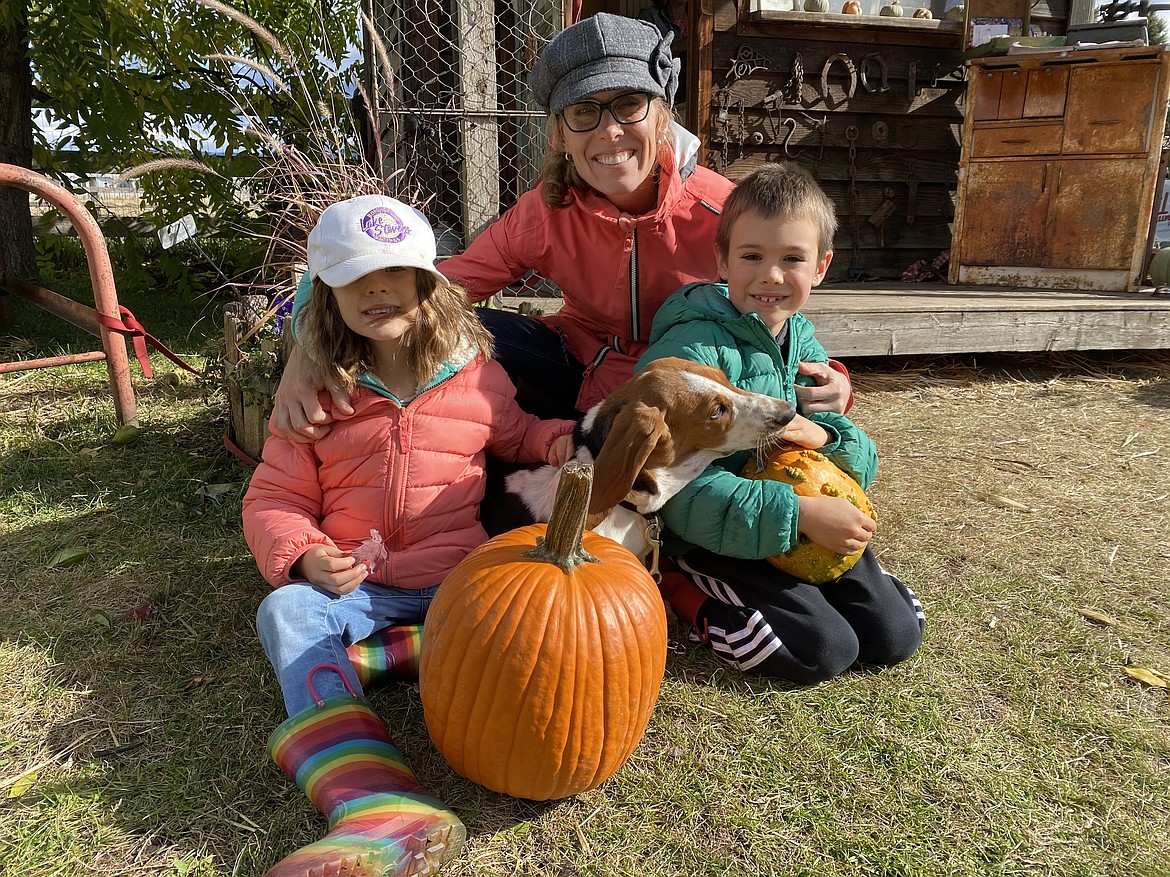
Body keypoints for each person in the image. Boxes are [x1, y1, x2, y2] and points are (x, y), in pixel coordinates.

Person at [269, 12, 853, 440]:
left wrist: (838, 383)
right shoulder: (547, 212)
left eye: (628, 104)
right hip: (577, 371)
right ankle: (407, 441)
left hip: (694, 384)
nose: (610, 131)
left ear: (662, 112)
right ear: (559, 133)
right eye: (583, 111)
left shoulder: (724, 211)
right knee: (471, 329)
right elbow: (439, 289)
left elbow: (781, 314)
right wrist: (307, 342)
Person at [242, 194, 575, 876]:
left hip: (458, 580)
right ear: (326, 297)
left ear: (429, 284)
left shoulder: (475, 376)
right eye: (354, 278)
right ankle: (376, 801)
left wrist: (563, 442)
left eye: (393, 273)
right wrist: (304, 555)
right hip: (361, 592)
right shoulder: (318, 398)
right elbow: (274, 497)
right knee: (286, 612)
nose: (376, 290)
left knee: (534, 631)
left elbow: (518, 433)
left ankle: (384, 660)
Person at [636, 163, 924, 684]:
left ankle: (826, 588)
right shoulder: (693, 352)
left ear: (821, 266)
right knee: (822, 651)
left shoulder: (802, 343)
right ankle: (687, 591)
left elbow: (857, 457)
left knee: (894, 637)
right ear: (722, 259)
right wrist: (800, 513)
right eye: (752, 257)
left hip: (802, 518)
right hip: (716, 533)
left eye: (792, 258)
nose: (771, 275)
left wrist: (829, 437)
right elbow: (676, 488)